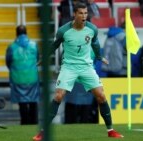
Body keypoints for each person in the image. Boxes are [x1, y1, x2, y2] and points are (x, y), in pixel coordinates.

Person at [32, 2, 123, 141]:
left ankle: (110, 130)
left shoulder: (92, 29)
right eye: (81, 13)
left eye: (86, 13)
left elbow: (95, 44)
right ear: (74, 14)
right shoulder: (63, 30)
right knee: (58, 96)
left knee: (101, 96)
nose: (84, 16)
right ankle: (43, 132)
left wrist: (99, 56)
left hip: (86, 67)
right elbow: (54, 45)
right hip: (69, 66)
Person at [5, 25, 40, 125]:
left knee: (22, 102)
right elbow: (37, 59)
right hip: (32, 77)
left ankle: (24, 122)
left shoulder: (11, 47)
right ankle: (34, 123)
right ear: (26, 33)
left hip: (18, 77)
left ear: (16, 34)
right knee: (33, 102)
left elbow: (8, 62)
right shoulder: (34, 45)